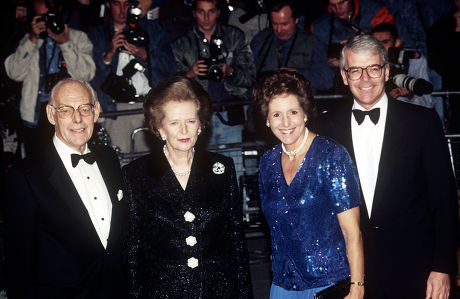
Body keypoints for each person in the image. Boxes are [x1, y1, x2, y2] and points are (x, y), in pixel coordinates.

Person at [315, 34, 458, 298]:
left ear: (387, 71)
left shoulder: (422, 123)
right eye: (355, 70)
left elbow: (444, 202)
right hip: (350, 273)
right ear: (344, 76)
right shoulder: (325, 129)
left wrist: (443, 268)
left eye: (373, 68)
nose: (365, 79)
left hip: (417, 270)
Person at [123, 76, 252, 298]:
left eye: (191, 121)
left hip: (218, 290)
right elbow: (133, 252)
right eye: (174, 123)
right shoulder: (135, 175)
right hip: (162, 291)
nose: (184, 130)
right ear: (159, 128)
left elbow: (236, 243)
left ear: (200, 124)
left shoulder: (222, 168)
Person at [5, 78, 127, 298]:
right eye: (65, 110)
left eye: (84, 108)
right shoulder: (24, 176)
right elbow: (19, 262)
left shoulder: (109, 158)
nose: (78, 118)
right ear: (51, 114)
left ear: (96, 111)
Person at [253, 70, 364, 299]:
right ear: (266, 119)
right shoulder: (267, 162)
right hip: (282, 287)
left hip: (328, 285)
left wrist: (357, 287)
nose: (285, 122)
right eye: (276, 114)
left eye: (293, 112)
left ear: (305, 113)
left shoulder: (331, 156)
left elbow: (352, 233)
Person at [171, 0, 256, 183]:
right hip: (197, 120)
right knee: (201, 176)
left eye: (211, 11)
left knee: (234, 174)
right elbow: (170, 87)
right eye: (201, 12)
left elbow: (250, 77)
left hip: (230, 117)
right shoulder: (181, 43)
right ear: (194, 13)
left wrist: (230, 71)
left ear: (218, 12)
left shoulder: (235, 36)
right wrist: (190, 74)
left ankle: (236, 212)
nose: (206, 17)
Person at [4, 0, 95, 159]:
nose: (47, 22)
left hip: (70, 113)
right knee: (37, 168)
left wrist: (65, 43)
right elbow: (13, 73)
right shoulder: (29, 40)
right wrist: (32, 39)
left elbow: (86, 74)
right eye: (41, 18)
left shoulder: (78, 38)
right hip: (36, 114)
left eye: (50, 16)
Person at [88, 0, 176, 153]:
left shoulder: (152, 30)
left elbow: (170, 69)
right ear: (108, 4)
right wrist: (109, 54)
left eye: (126, 4)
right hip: (115, 110)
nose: (122, 10)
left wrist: (145, 56)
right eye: (117, 3)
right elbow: (90, 77)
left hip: (149, 107)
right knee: (120, 165)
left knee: (150, 165)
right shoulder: (97, 34)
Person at [250, 1, 334, 91]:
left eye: (284, 24)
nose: (279, 29)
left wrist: (297, 74)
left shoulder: (312, 42)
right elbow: (248, 76)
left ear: (296, 20)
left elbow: (327, 81)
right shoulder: (260, 40)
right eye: (275, 24)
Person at [371, 22, 438, 110]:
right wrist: (388, 99)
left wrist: (411, 97)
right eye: (375, 43)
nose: (380, 47)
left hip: (411, 115)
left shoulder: (414, 60)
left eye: (385, 42)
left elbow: (428, 102)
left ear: (397, 42)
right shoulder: (365, 63)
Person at [311, 0, 394, 69]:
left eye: (341, 3)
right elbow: (314, 60)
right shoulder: (319, 26)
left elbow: (389, 44)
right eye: (332, 5)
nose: (337, 9)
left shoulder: (375, 12)